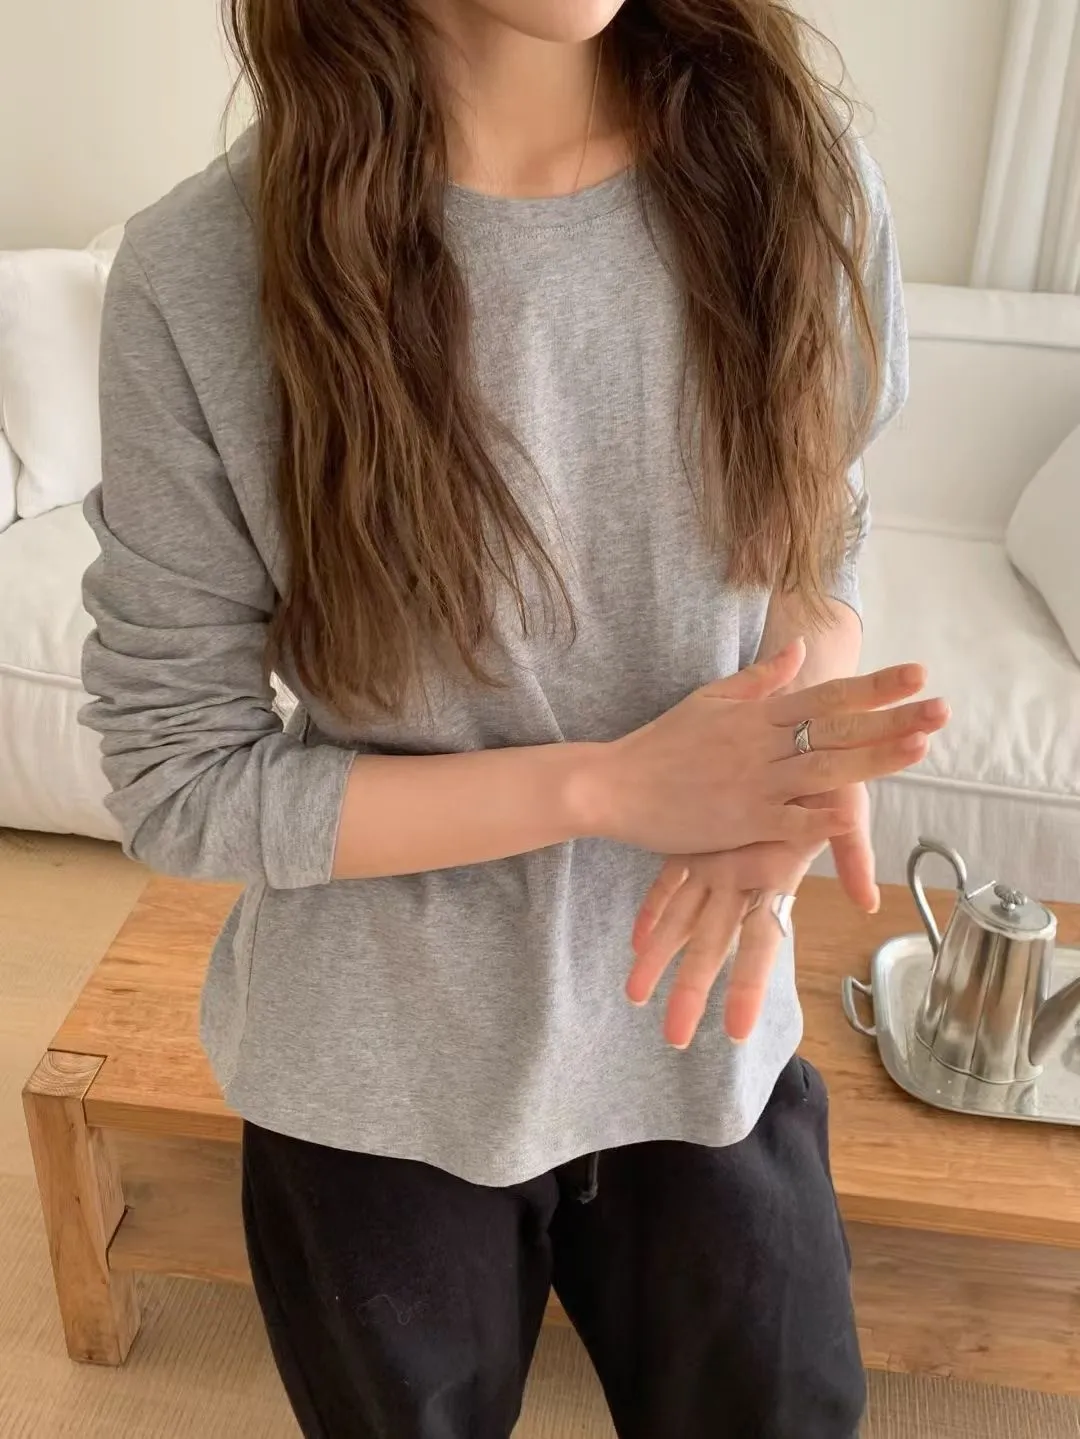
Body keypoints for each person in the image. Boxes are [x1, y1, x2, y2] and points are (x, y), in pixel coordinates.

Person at [80, 2, 948, 1435]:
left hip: (706, 1033)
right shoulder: (204, 272)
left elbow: (819, 534)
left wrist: (795, 741)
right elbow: (181, 777)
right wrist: (608, 787)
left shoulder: (797, 175)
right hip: (375, 1080)